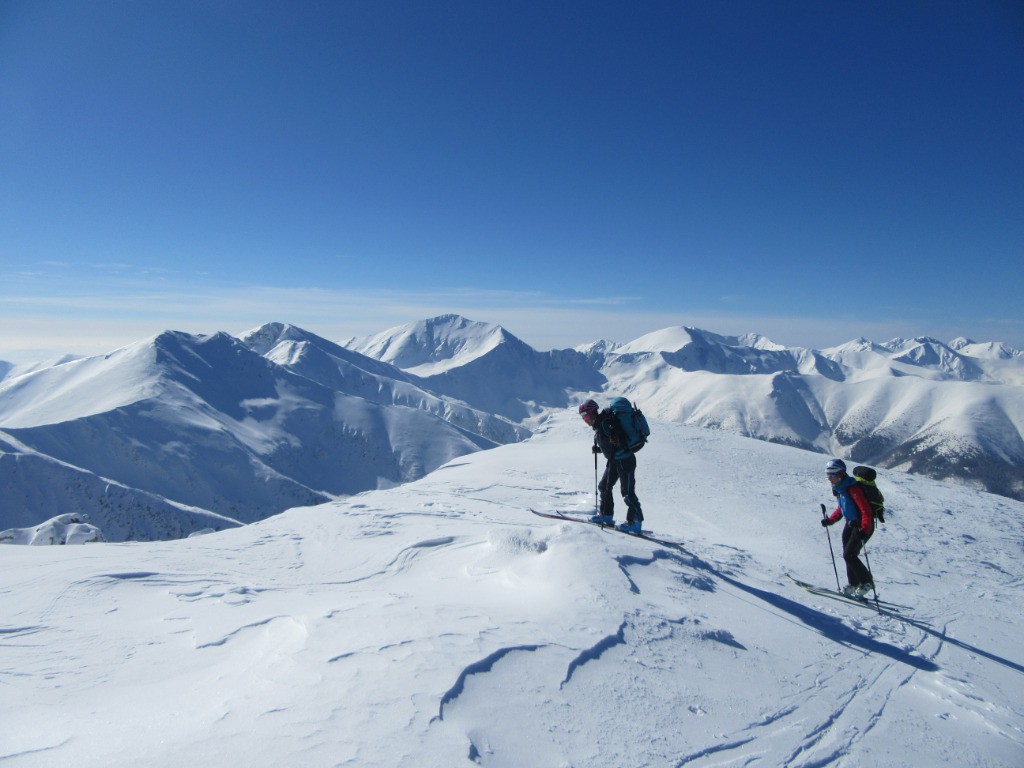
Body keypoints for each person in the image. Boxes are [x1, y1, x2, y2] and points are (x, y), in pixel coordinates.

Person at [578, 399, 644, 533]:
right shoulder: (600, 424)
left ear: (592, 413)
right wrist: (600, 449)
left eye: (586, 416)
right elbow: (611, 444)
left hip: (625, 461)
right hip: (615, 461)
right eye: (583, 417)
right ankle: (606, 515)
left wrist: (614, 440)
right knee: (604, 486)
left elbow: (620, 441)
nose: (585, 420)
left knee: (627, 492)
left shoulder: (607, 423)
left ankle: (635, 521)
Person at [821, 458, 875, 596]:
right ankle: (853, 584)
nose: (829, 478)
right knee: (848, 555)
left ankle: (867, 582)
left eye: (831, 475)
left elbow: (865, 510)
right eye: (828, 475)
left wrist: (865, 529)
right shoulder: (840, 489)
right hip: (850, 525)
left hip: (861, 526)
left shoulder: (853, 489)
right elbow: (842, 508)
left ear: (840, 474)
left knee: (849, 555)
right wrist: (830, 520)